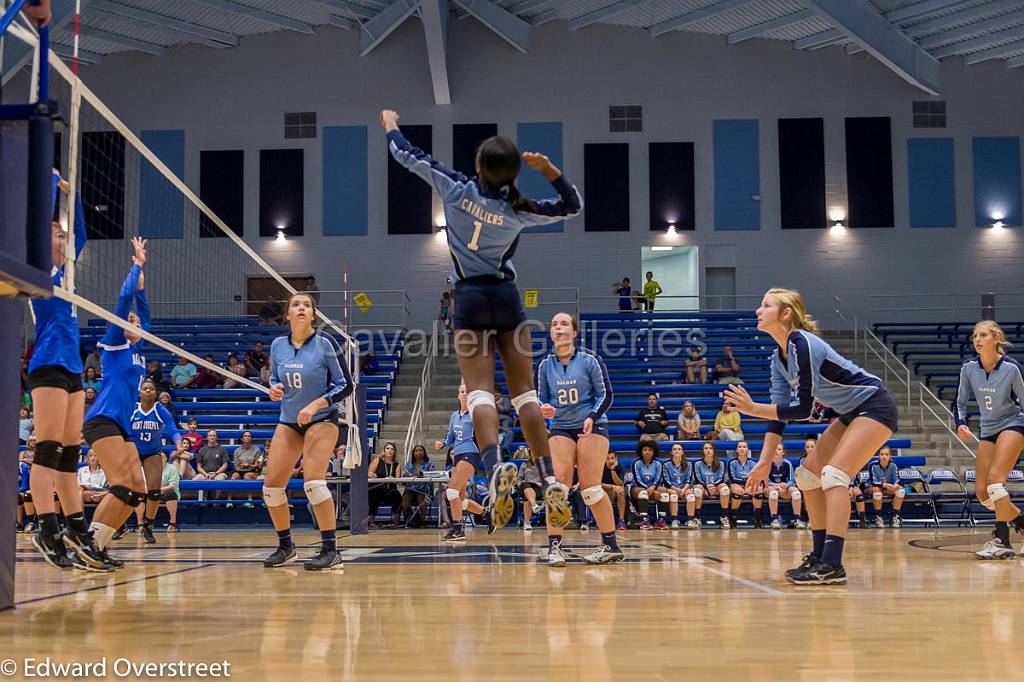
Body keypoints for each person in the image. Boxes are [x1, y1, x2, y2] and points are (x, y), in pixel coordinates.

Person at [382, 108, 581, 533]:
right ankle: (547, 477)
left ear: (477, 166)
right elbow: (572, 206)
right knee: (526, 394)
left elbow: (406, 154)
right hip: (507, 298)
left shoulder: (455, 190)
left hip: (469, 298)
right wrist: (549, 170)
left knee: (480, 394)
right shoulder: (519, 208)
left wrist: (391, 123)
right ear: (512, 174)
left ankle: (493, 469)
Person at [726, 288, 898, 585]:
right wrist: (764, 462)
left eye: (765, 305)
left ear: (786, 313)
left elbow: (802, 409)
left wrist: (753, 408)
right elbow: (778, 420)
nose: (758, 310)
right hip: (850, 413)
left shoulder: (801, 343)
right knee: (807, 477)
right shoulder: (777, 359)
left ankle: (833, 562)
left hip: (874, 405)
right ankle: (819, 557)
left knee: (834, 475)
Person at [25, 189, 93, 570]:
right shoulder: (37, 272)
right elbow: (35, 227)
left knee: (69, 454)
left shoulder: (66, 275)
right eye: (56, 232)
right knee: (48, 448)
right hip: (48, 364)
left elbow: (81, 234)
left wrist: (74, 196)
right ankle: (45, 528)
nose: (63, 236)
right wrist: (49, 190)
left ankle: (75, 527)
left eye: (63, 232)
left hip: (72, 369)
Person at [261, 292, 354, 571]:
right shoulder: (278, 345)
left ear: (313, 314)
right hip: (289, 420)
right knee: (271, 487)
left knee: (313, 482)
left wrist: (316, 404)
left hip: (322, 419)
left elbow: (345, 384)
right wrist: (274, 388)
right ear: (288, 314)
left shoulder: (326, 344)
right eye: (295, 305)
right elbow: (275, 377)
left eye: (306, 305)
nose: (301, 308)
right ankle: (286, 547)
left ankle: (330, 550)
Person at [81, 237, 152, 571]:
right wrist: (135, 265)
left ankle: (100, 545)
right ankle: (88, 544)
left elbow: (143, 310)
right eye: (131, 321)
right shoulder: (114, 343)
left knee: (138, 491)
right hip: (102, 419)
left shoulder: (139, 350)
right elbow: (124, 301)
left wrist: (142, 285)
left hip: (121, 425)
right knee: (122, 485)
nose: (135, 322)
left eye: (137, 322)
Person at [536, 312, 621, 565]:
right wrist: (544, 408)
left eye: (563, 324)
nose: (558, 327)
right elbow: (540, 399)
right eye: (554, 324)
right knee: (558, 486)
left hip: (591, 424)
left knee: (591, 489)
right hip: (561, 426)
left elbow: (606, 395)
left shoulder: (589, 360)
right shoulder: (544, 365)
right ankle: (554, 547)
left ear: (574, 332)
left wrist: (593, 416)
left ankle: (611, 546)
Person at [954, 320, 1024, 559]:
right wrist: (960, 423)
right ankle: (1021, 524)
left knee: (996, 482)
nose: (977, 339)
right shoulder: (969, 368)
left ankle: (1002, 540)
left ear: (995, 339)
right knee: (984, 493)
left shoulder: (1011, 368)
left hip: (1013, 424)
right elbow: (960, 403)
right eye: (975, 336)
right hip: (987, 428)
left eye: (983, 335)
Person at [435, 386, 492, 541]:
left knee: (451, 492)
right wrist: (443, 443)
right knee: (460, 499)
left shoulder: (475, 415)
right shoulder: (454, 415)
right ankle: (486, 514)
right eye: (462, 392)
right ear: (458, 396)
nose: (465, 393)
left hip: (471, 454)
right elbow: (450, 437)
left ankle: (458, 529)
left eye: (468, 392)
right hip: (458, 455)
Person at [130, 379, 182, 543]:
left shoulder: (160, 410)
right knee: (129, 489)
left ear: (156, 393)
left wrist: (178, 441)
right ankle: (120, 525)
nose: (148, 391)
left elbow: (172, 428)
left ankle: (148, 525)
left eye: (151, 389)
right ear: (139, 392)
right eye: (145, 388)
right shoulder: (132, 408)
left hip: (152, 452)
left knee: (154, 492)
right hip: (133, 451)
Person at [766, 443, 805, 530]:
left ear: (783, 452)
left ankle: (797, 519)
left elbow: (792, 480)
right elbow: (765, 481)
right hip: (771, 488)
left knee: (796, 492)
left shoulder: (787, 463)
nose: (776, 451)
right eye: (775, 449)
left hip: (784, 489)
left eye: (779, 449)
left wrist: (786, 485)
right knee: (773, 493)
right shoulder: (768, 463)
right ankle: (774, 519)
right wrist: (776, 485)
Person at [865, 446, 905, 529]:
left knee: (900, 491)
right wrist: (885, 485)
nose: (884, 456)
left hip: (887, 488)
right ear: (878, 455)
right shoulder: (872, 465)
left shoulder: (893, 465)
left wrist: (895, 485)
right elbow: (873, 481)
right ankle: (878, 517)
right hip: (873, 487)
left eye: (886, 454)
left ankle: (895, 516)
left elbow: (897, 479)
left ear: (890, 456)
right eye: (882, 454)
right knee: (877, 492)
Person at [693, 441, 731, 528]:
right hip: (703, 488)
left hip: (716, 488)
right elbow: (697, 479)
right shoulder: (697, 464)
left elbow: (721, 478)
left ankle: (724, 517)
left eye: (710, 448)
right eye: (706, 448)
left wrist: (713, 486)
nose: (708, 450)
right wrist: (706, 487)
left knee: (724, 488)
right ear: (703, 451)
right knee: (697, 489)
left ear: (714, 451)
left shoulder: (720, 463)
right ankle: (697, 517)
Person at [659, 443, 694, 529]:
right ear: (671, 453)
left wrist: (683, 489)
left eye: (679, 449)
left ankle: (690, 520)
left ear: (682, 452)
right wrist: (676, 489)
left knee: (691, 496)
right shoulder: (666, 464)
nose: (677, 451)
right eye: (674, 449)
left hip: (684, 488)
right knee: (674, 495)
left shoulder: (688, 464)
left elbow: (688, 479)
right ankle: (674, 520)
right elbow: (666, 481)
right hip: (671, 488)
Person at [629, 441, 663, 531]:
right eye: (645, 450)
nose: (647, 452)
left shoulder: (658, 463)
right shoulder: (636, 463)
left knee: (664, 493)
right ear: (641, 451)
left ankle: (661, 520)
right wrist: (648, 489)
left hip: (652, 488)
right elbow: (637, 480)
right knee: (643, 493)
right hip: (637, 488)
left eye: (650, 450)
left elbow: (658, 478)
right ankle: (644, 520)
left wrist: (653, 487)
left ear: (654, 452)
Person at [727, 441, 762, 528]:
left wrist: (747, 485)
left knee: (758, 489)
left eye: (744, 447)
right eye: (740, 447)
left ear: (747, 450)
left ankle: (757, 517)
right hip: (735, 485)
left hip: (748, 486)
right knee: (738, 490)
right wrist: (746, 483)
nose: (742, 449)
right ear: (736, 450)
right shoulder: (732, 462)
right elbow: (732, 478)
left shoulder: (753, 463)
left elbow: (755, 478)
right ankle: (733, 517)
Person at [368, 442, 403, 527]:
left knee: (396, 494)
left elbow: (398, 479)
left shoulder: (397, 465)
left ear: (394, 452)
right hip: (378, 488)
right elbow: (368, 473)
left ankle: (396, 522)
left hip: (390, 490)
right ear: (384, 450)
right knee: (374, 493)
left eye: (392, 449)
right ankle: (371, 522)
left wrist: (392, 479)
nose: (390, 451)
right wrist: (372, 475)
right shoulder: (377, 461)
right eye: (387, 448)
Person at [401, 444, 435, 527]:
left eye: (421, 451)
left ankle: (422, 521)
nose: (418, 452)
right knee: (405, 498)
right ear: (413, 453)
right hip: (411, 490)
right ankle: (411, 520)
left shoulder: (430, 465)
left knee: (420, 496)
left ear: (424, 453)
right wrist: (406, 476)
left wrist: (424, 476)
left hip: (425, 490)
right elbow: (403, 480)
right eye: (416, 451)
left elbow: (434, 476)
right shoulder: (409, 465)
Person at [601, 450, 629, 531]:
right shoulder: (600, 467)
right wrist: (612, 487)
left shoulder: (620, 467)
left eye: (612, 458)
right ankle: (604, 521)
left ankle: (621, 520)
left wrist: (612, 470)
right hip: (604, 491)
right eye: (608, 458)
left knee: (621, 490)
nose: (610, 461)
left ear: (616, 458)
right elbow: (597, 484)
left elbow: (620, 483)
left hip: (617, 492)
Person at [516, 448, 543, 531]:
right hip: (525, 487)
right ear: (530, 453)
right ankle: (534, 505)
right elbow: (518, 479)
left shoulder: (544, 465)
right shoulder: (525, 464)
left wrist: (542, 483)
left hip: (539, 488)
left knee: (527, 500)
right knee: (525, 484)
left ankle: (527, 523)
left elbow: (548, 478)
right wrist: (519, 483)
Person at [495, 389, 514, 456]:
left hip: (504, 419)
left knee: (508, 432)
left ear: (500, 393)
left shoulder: (505, 399)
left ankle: (505, 449)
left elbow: (507, 409)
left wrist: (499, 408)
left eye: (496, 394)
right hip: (493, 421)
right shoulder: (489, 402)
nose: (495, 396)